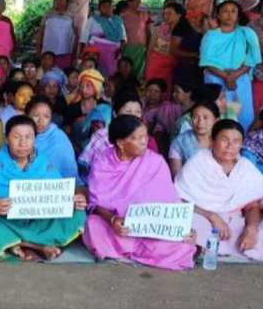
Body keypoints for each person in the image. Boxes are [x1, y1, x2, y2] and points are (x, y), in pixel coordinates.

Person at [84, 115, 197, 270]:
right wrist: (113, 220)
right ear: (121, 143)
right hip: (119, 226)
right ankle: (134, 251)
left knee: (182, 244)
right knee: (93, 226)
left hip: (150, 229)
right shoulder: (102, 161)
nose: (144, 142)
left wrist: (182, 227)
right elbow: (95, 204)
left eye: (145, 136)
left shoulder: (155, 161)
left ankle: (129, 252)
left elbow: (170, 201)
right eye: (137, 138)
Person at [0, 115, 87, 260]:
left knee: (79, 215)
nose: (23, 143)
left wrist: (73, 201)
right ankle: (39, 246)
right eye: (17, 137)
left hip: (40, 220)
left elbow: (59, 193)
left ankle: (19, 243)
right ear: (6, 139)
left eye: (28, 137)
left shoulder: (44, 161)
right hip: (7, 221)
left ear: (35, 139)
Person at [175, 119, 263, 261]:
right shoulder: (198, 162)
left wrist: (251, 229)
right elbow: (180, 199)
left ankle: (209, 249)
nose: (230, 146)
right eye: (224, 140)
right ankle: (202, 248)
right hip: (202, 218)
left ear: (241, 144)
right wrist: (212, 216)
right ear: (212, 141)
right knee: (186, 230)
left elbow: (252, 206)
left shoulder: (244, 166)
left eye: (236, 141)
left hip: (232, 222)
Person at [199, 0, 260, 129]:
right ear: (218, 15)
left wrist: (235, 75)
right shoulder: (211, 35)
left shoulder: (246, 33)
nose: (229, 14)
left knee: (242, 114)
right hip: (215, 80)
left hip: (240, 79)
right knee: (217, 113)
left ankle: (240, 142)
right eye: (225, 11)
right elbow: (206, 61)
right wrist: (226, 77)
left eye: (233, 11)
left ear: (238, 16)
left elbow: (252, 58)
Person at [26, 97, 78, 183]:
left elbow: (70, 173)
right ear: (27, 115)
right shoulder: (20, 134)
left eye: (46, 116)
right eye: (36, 116)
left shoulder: (59, 138)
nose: (41, 121)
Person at [168, 101, 219, 178]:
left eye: (205, 117)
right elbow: (177, 177)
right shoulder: (178, 143)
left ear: (215, 121)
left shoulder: (222, 140)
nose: (200, 122)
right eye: (195, 117)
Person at [78, 0, 125, 77]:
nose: (107, 8)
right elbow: (84, 36)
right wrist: (80, 52)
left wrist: (120, 50)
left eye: (109, 6)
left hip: (113, 52)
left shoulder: (118, 20)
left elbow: (123, 37)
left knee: (110, 73)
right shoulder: (93, 19)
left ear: (112, 8)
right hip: (95, 51)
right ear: (99, 8)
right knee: (94, 70)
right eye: (104, 6)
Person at [37, 0, 76, 69]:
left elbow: (75, 35)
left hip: (65, 51)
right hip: (48, 51)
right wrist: (38, 47)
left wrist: (75, 52)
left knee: (62, 72)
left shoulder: (72, 16)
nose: (60, 1)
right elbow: (41, 32)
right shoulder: (48, 14)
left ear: (67, 1)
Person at [120, 0, 151, 78]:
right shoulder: (123, 16)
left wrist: (148, 45)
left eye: (139, 1)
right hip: (129, 46)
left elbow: (147, 30)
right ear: (129, 3)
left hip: (141, 46)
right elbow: (121, 34)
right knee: (127, 67)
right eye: (136, 1)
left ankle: (135, 85)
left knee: (139, 69)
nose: (139, 3)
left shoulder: (144, 14)